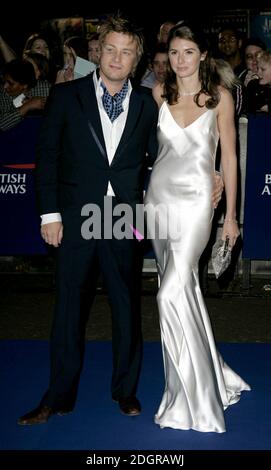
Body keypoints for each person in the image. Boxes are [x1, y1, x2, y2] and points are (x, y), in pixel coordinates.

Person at [17, 15, 159, 425]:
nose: (117, 57)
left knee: (126, 307)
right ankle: (57, 396)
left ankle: (125, 390)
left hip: (123, 218)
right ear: (98, 52)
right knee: (67, 312)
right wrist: (49, 213)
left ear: (137, 58)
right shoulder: (67, 95)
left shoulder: (148, 104)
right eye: (110, 49)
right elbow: (47, 158)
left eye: (126, 51)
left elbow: (162, 160)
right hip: (76, 216)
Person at [145, 22, 250, 433]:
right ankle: (193, 381)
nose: (181, 60)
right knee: (179, 289)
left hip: (197, 204)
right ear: (166, 58)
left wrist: (232, 216)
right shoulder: (158, 93)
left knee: (172, 290)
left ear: (202, 55)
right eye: (174, 53)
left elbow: (229, 157)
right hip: (158, 201)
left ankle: (194, 396)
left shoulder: (219, 97)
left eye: (189, 51)